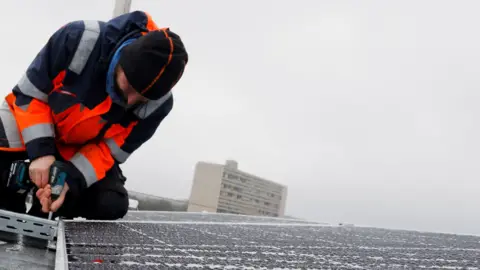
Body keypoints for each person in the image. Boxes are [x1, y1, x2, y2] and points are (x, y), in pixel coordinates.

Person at [0, 10, 188, 220]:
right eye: (130, 86)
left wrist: (68, 181)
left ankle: (48, 207)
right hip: (28, 121)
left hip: (80, 148)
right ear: (122, 61)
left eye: (143, 97)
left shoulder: (158, 107)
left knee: (111, 203)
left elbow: (107, 152)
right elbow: (30, 95)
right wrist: (41, 152)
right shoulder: (78, 38)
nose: (131, 101)